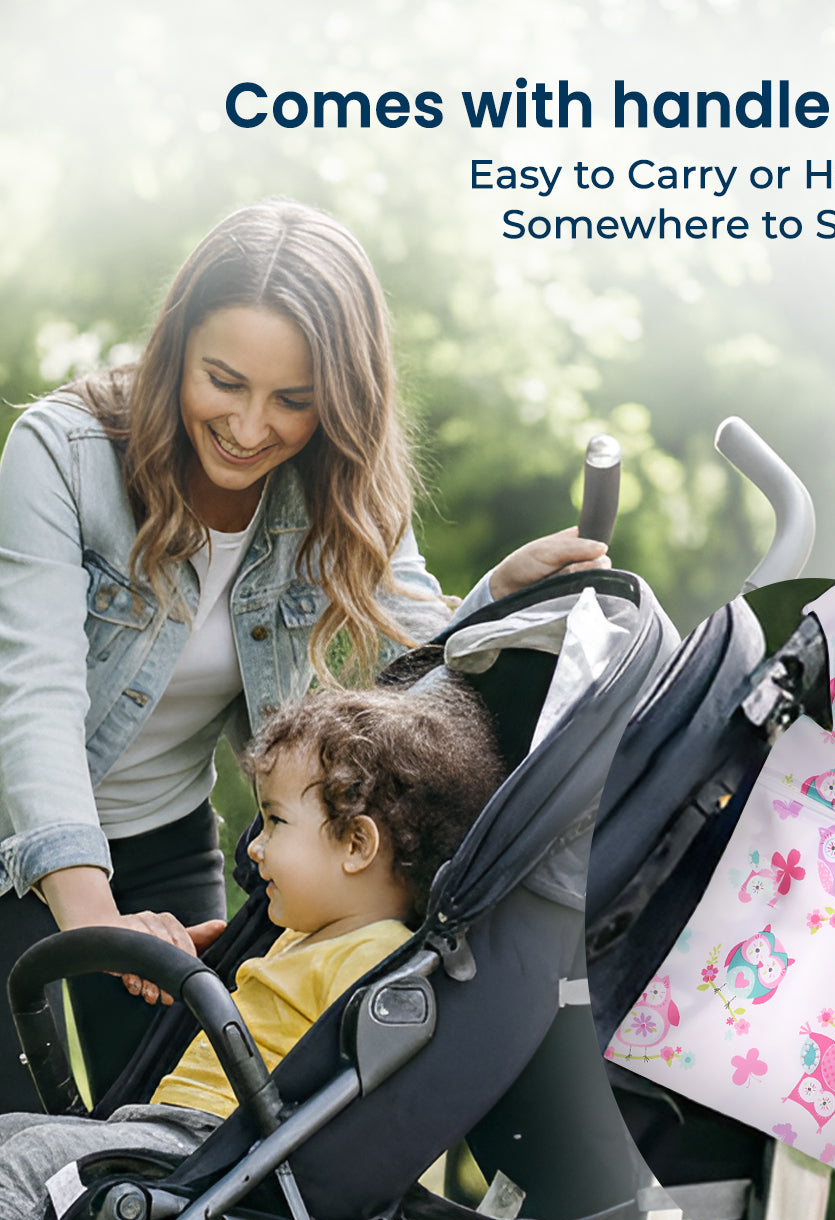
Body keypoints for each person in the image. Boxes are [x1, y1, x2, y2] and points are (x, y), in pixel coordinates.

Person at [0, 198, 606, 1109]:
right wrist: (95, 925)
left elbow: (402, 683)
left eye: (293, 400)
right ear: (175, 353)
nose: (250, 427)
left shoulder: (340, 490)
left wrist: (495, 600)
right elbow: (36, 696)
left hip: (162, 844)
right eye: (224, 380)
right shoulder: (63, 454)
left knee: (186, 1143)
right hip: (18, 838)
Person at [0, 676, 504, 1220]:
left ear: (357, 843)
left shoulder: (377, 959)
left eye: (274, 823)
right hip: (162, 1130)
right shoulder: (299, 933)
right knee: (13, 1135)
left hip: (216, 1151)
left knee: (27, 1165)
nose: (255, 848)